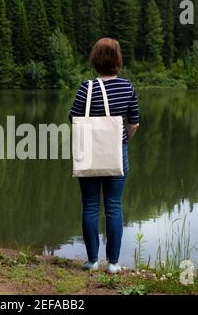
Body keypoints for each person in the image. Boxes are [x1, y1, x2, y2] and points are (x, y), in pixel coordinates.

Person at [69, 38, 140, 273]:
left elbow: (73, 119)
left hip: (89, 153)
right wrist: (121, 140)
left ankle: (91, 261)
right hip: (117, 153)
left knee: (89, 206)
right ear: (118, 60)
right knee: (114, 206)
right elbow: (135, 123)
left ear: (95, 59)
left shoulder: (85, 88)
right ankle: (113, 264)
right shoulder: (127, 87)